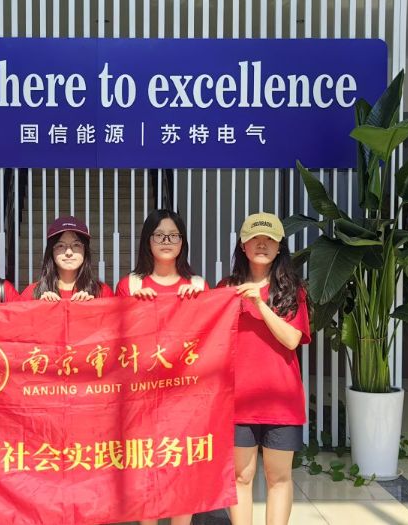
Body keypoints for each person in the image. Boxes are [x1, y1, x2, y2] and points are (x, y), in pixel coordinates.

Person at [115, 208, 208, 525]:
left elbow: (208, 340)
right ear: (147, 240)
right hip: (142, 396)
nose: (166, 241)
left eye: (173, 235)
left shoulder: (197, 285)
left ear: (183, 242)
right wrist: (132, 306)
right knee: (147, 473)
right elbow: (116, 339)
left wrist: (198, 301)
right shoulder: (130, 285)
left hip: (184, 397)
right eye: (159, 235)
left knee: (183, 469)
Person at [218, 212, 310, 525]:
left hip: (281, 401)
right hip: (237, 400)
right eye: (254, 239)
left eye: (269, 239)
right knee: (240, 477)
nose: (262, 244)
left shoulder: (293, 290)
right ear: (242, 245)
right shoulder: (227, 288)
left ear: (279, 246)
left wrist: (259, 303)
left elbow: (291, 339)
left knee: (279, 478)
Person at [20, 215, 113, 301]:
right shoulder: (32, 293)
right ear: (51, 251)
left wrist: (93, 308)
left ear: (85, 250)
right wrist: (39, 308)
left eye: (76, 245)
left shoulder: (102, 293)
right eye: (60, 245)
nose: (69, 252)